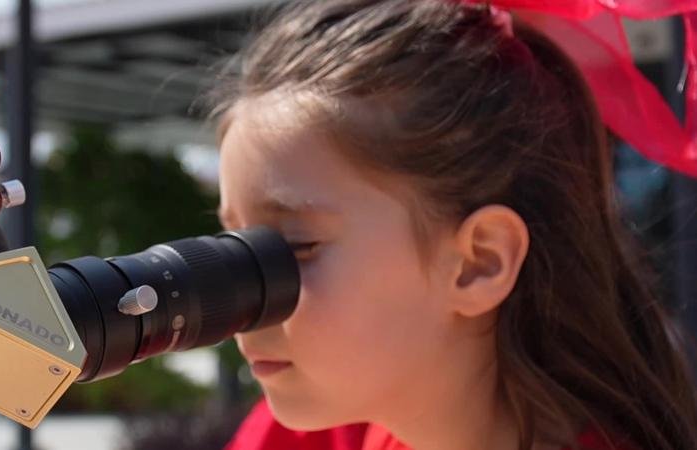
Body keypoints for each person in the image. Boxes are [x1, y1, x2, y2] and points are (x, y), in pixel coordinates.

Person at [203, 0, 697, 449]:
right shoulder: (331, 426)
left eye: (295, 245)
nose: (241, 303)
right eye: (237, 244)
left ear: (479, 261)